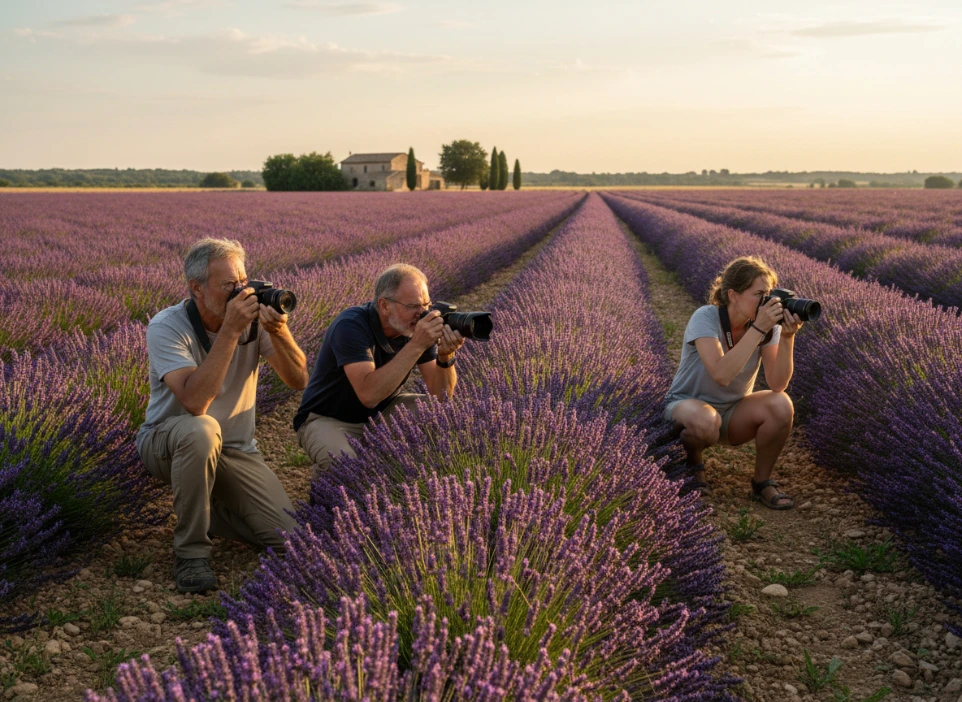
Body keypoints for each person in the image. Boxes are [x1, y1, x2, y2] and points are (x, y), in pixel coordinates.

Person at [137, 238, 309, 593]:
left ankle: (207, 509)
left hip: (234, 449)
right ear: (197, 288)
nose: (241, 291)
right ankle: (191, 553)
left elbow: (298, 380)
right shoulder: (167, 326)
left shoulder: (254, 322)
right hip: (169, 442)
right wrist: (230, 330)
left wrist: (278, 332)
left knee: (289, 539)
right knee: (202, 430)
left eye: (243, 281)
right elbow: (194, 403)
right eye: (229, 284)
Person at [294, 264, 464, 481]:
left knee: (439, 412)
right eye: (413, 306)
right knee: (344, 466)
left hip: (381, 412)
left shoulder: (414, 326)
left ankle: (401, 481)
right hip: (327, 418)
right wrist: (417, 345)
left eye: (426, 305)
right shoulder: (350, 325)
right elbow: (369, 395)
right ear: (384, 306)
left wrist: (445, 356)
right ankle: (326, 489)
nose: (422, 313)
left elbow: (441, 396)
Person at [664, 256, 804, 509]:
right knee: (705, 420)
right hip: (687, 407)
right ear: (733, 295)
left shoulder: (766, 327)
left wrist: (787, 337)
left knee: (781, 404)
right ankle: (693, 464)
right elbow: (721, 374)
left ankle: (762, 482)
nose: (767, 302)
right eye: (759, 294)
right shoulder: (706, 317)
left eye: (769, 295)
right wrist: (758, 329)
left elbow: (777, 383)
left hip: (731, 413)